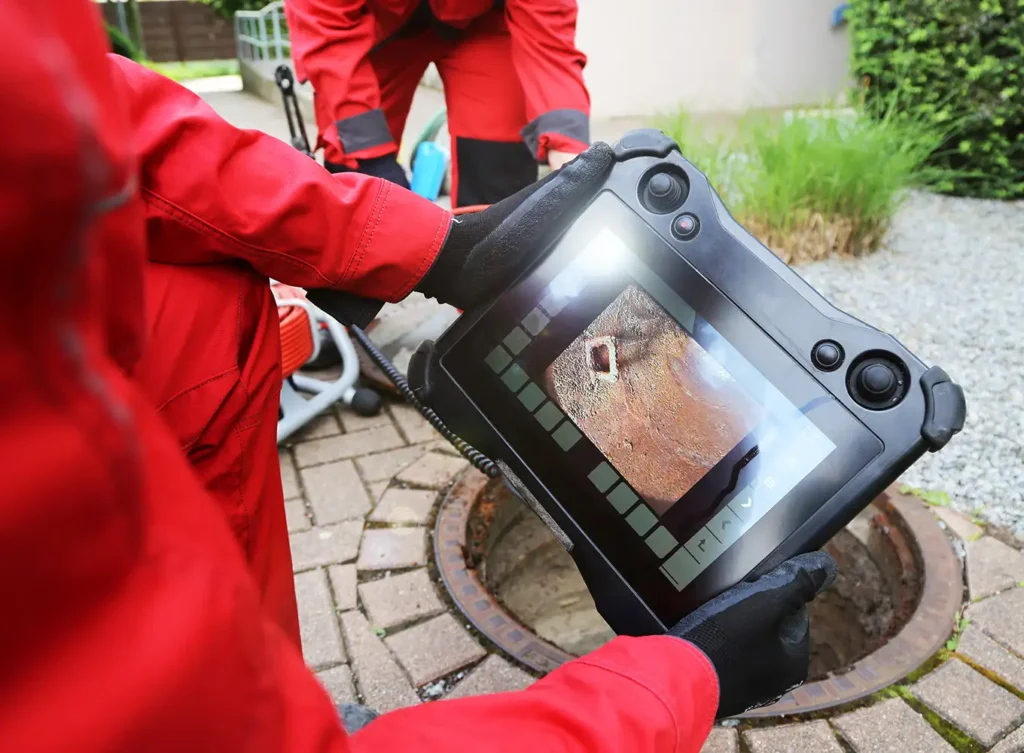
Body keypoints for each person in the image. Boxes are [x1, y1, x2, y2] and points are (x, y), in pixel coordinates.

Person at [0, 2, 837, 752]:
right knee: (363, 158)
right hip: (370, 33)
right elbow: (330, 44)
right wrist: (675, 687)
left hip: (473, 26)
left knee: (214, 301)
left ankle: (256, 679)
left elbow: (91, 118)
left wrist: (420, 239)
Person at [285, 0, 591, 207]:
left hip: (485, 21)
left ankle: (493, 293)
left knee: (499, 168)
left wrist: (576, 161)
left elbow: (550, 42)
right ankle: (350, 289)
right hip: (376, 28)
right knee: (360, 168)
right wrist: (375, 163)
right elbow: (327, 34)